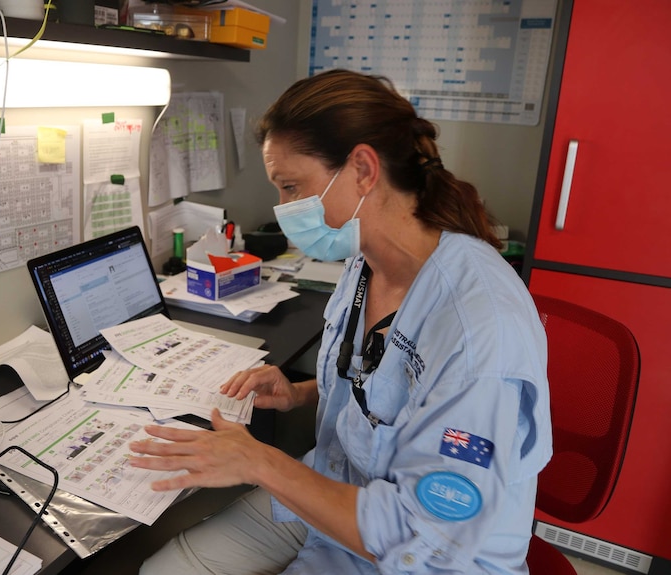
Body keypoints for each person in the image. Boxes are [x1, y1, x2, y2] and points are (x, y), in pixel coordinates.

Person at [130, 69, 552, 574]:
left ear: (363, 170)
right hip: (334, 488)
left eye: (292, 187)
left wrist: (258, 461)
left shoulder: (479, 329)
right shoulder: (365, 261)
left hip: (424, 556)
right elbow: (381, 383)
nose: (284, 209)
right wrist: (302, 392)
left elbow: (428, 535)